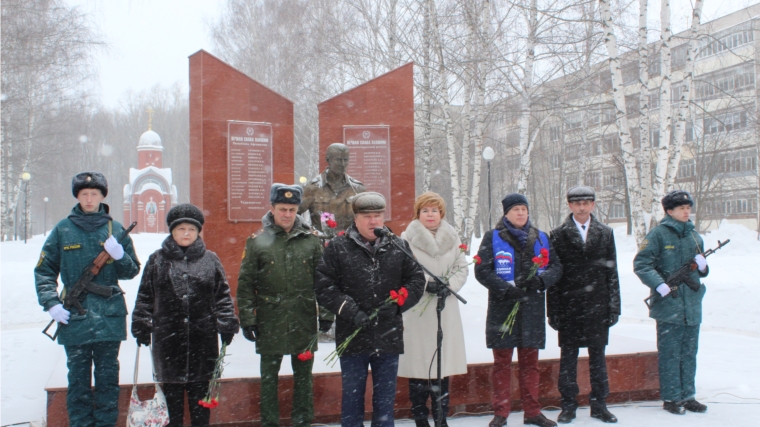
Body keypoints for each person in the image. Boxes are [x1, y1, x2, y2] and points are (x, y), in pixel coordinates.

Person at [34, 172, 140, 427]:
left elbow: (131, 271)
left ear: (102, 196)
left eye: (94, 194)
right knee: (78, 382)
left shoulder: (115, 229)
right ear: (78, 197)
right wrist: (52, 303)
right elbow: (44, 270)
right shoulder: (63, 229)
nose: (90, 199)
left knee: (107, 381)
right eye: (84, 194)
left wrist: (119, 256)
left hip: (109, 317)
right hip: (75, 315)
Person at [315, 192, 426, 427]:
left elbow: (416, 281)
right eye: (367, 216)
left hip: (388, 336)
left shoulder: (399, 245)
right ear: (355, 219)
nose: (373, 221)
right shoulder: (338, 247)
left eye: (377, 216)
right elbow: (324, 286)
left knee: (385, 401)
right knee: (352, 399)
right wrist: (350, 310)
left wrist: (398, 305)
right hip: (353, 335)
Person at [131, 204, 239, 427]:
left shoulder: (210, 260)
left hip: (203, 343)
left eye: (191, 228)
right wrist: (141, 322)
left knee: (201, 408)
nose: (186, 233)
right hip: (169, 344)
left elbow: (222, 295)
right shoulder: (157, 260)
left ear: (198, 231)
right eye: (181, 229)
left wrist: (227, 322)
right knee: (172, 410)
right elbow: (145, 296)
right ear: (172, 231)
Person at [237, 184, 333, 427]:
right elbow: (246, 284)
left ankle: (302, 421)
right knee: (268, 377)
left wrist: (326, 312)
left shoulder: (311, 241)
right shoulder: (257, 242)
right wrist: (248, 319)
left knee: (303, 377)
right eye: (282, 209)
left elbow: (323, 282)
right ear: (272, 208)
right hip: (270, 319)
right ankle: (269, 422)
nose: (287, 214)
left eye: (292, 209)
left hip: (302, 318)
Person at [475, 193, 562, 427]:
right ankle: (501, 413)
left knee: (530, 365)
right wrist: (505, 289)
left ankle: (532, 412)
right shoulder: (492, 237)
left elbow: (556, 267)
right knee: (502, 364)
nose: (521, 213)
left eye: (523, 208)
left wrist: (541, 282)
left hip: (531, 309)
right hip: (503, 309)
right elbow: (482, 271)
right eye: (515, 209)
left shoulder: (541, 237)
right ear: (506, 213)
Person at [548, 186, 620, 424]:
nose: (582, 207)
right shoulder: (557, 235)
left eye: (587, 202)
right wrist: (553, 311)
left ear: (593, 205)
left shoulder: (605, 233)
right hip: (570, 306)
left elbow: (612, 273)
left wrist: (613, 306)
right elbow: (554, 276)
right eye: (577, 203)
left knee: (597, 357)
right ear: (569, 206)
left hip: (597, 306)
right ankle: (568, 404)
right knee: (568, 358)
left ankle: (599, 404)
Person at [633, 190, 709, 415]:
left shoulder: (695, 236)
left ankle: (688, 396)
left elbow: (700, 272)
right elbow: (642, 264)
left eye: (688, 208)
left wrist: (703, 266)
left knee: (689, 352)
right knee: (670, 353)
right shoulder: (658, 234)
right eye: (681, 208)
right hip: (668, 305)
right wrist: (659, 284)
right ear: (669, 211)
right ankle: (671, 397)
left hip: (692, 305)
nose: (687, 212)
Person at [398, 192, 468, 427]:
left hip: (445, 309)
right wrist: (426, 284)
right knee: (419, 365)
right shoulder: (406, 239)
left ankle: (441, 415)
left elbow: (461, 267)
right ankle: (420, 415)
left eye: (435, 210)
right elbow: (403, 271)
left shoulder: (453, 236)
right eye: (425, 210)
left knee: (442, 366)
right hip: (418, 310)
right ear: (418, 214)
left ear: (442, 214)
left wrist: (450, 286)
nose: (430, 215)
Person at [299, 143, 367, 232]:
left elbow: (367, 217)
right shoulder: (312, 188)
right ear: (328, 159)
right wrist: (309, 232)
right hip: (321, 243)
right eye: (338, 160)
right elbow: (294, 214)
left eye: (345, 160)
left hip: (349, 243)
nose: (342, 164)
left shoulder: (357, 189)